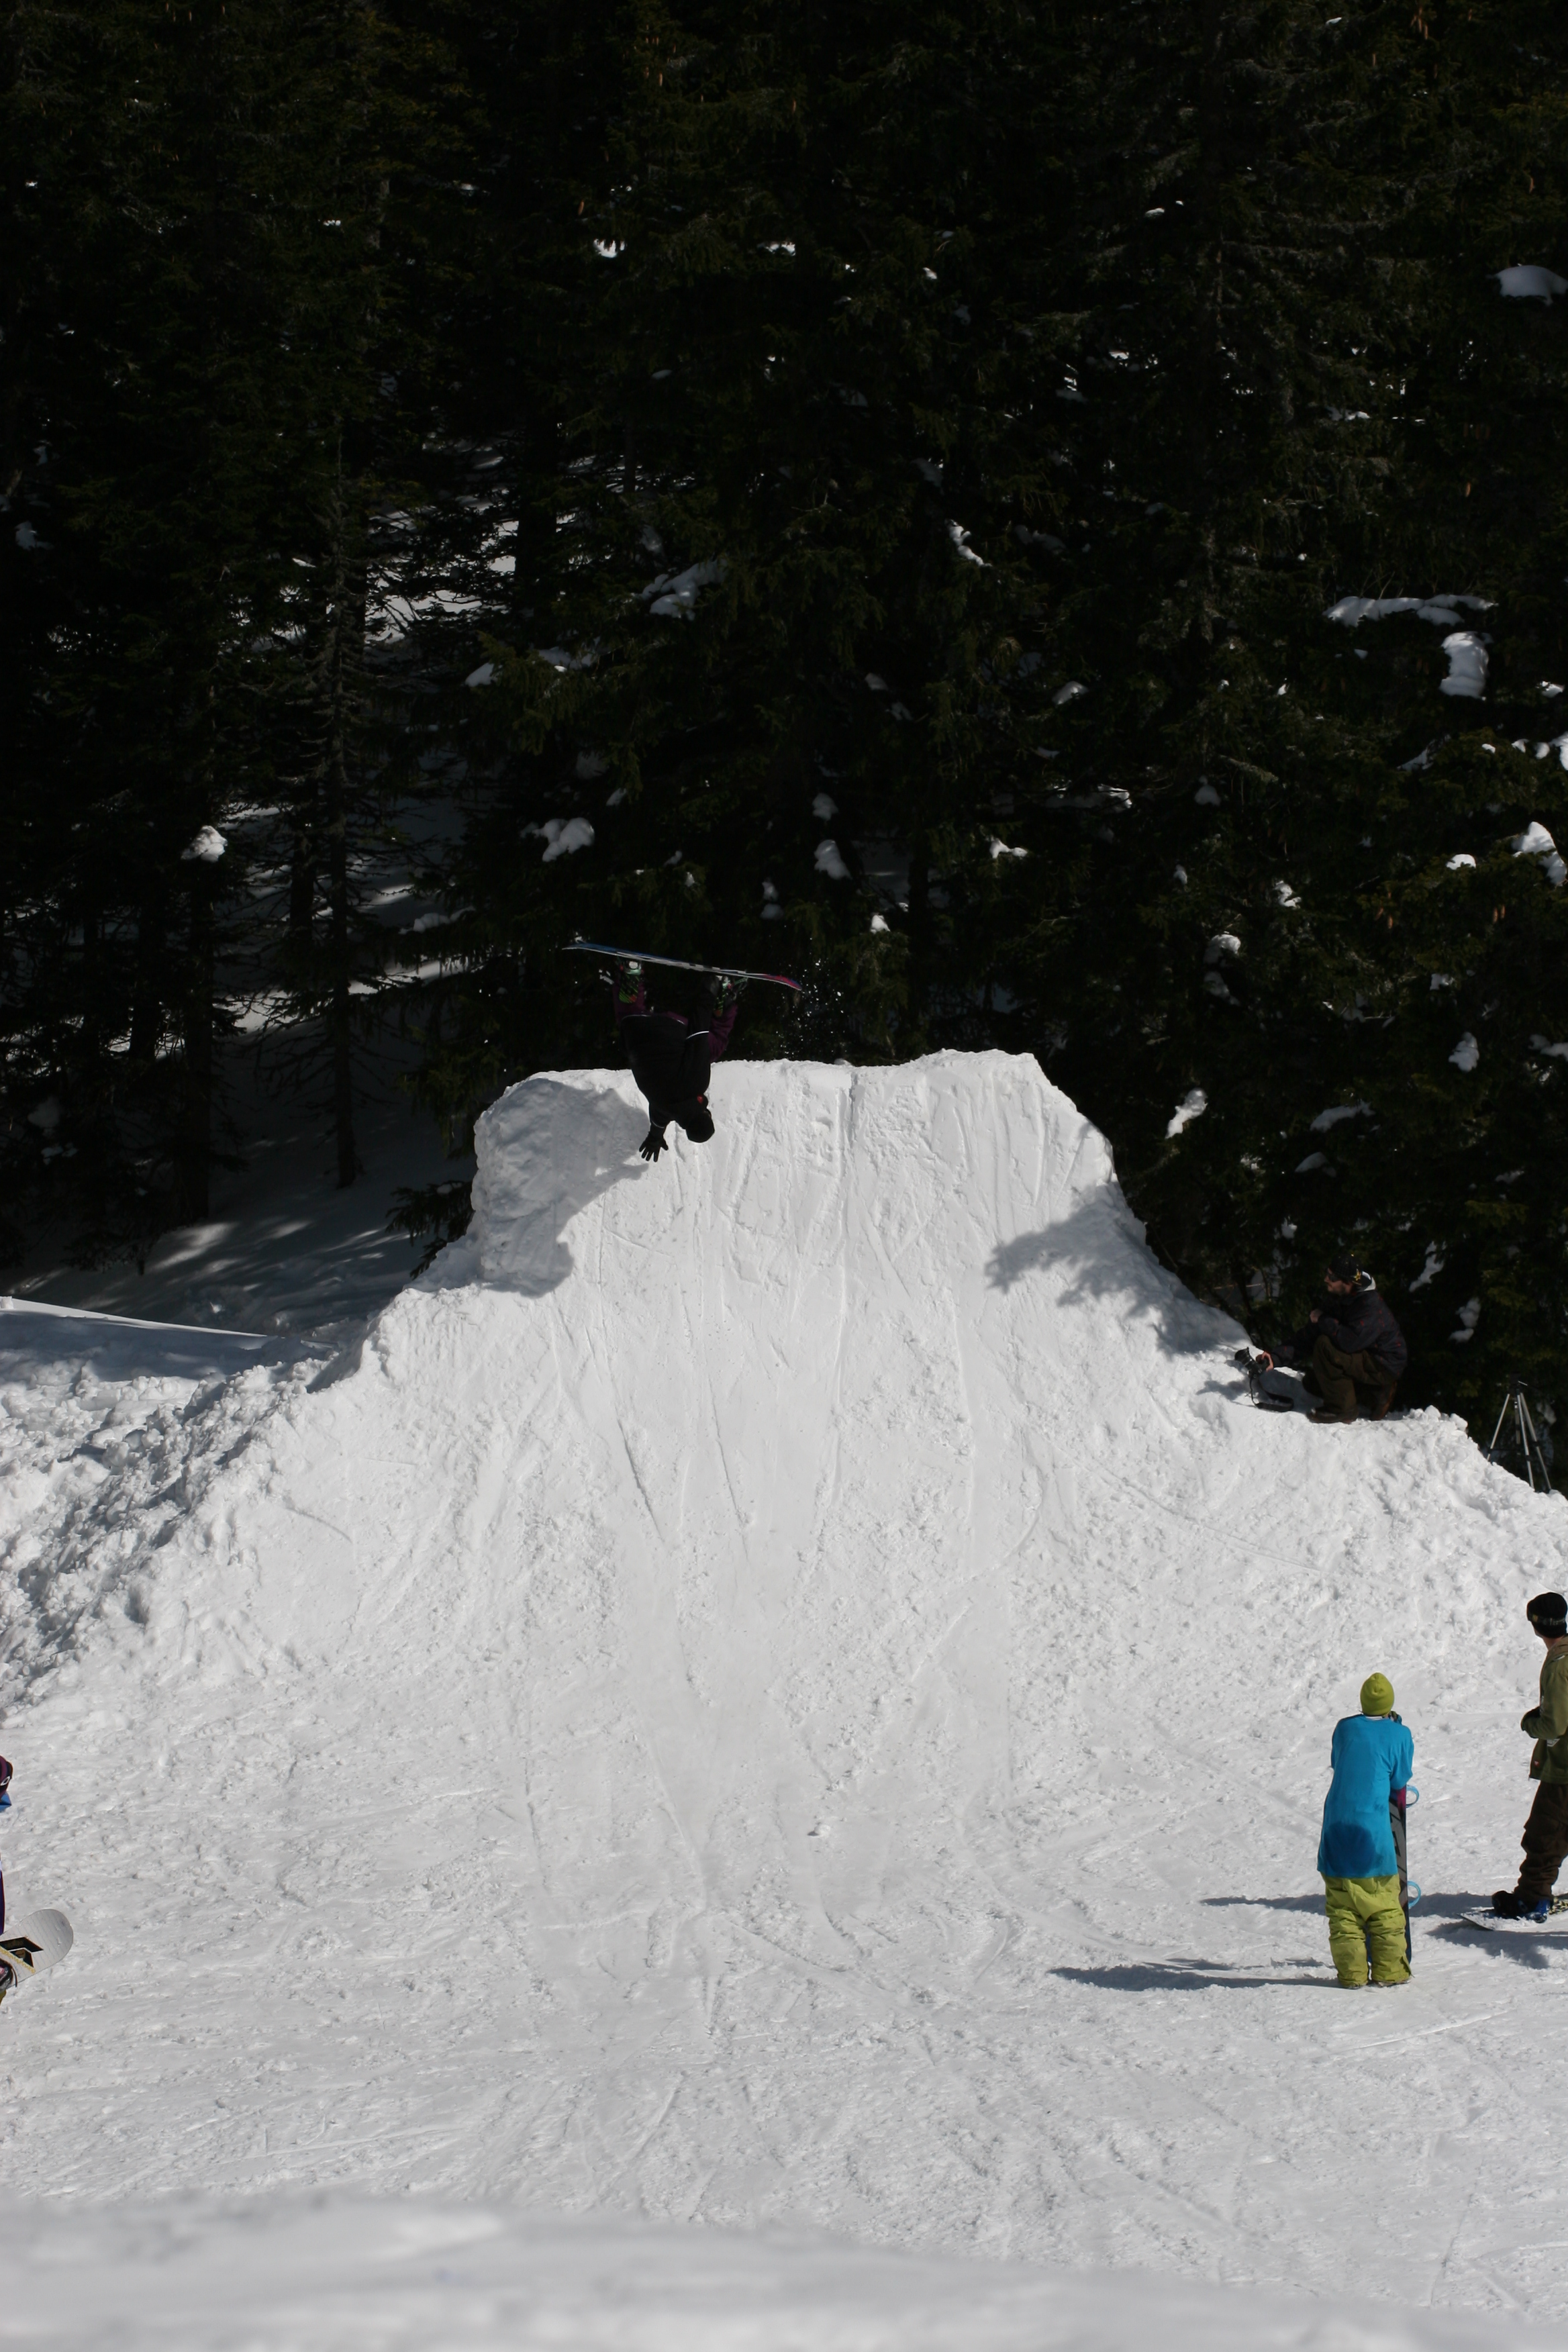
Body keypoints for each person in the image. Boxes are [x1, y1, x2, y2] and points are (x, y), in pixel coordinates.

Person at [1318, 1674, 1414, 1987]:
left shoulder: (1344, 1728)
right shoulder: (1399, 1735)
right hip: (1373, 1838)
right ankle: (1390, 1972)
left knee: (1343, 1910)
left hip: (1335, 1833)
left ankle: (1352, 1975)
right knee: (1384, 1907)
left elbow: (1339, 1762)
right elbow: (1399, 1779)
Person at [611, 961, 743, 1162]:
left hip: (670, 1028)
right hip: (635, 1029)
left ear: (706, 1114)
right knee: (628, 1016)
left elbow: (698, 1034)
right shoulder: (665, 1108)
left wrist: (709, 990)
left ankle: (724, 998)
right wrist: (655, 1137)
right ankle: (631, 976)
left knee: (714, 1047)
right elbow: (658, 1120)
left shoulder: (697, 1084)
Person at [1257, 1254, 1407, 1425]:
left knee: (1325, 1347)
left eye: (1332, 1277)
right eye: (1327, 1273)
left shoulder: (1369, 1305)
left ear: (1348, 1282)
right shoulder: (1342, 1296)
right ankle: (1375, 1395)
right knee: (1313, 1383)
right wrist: (1275, 1357)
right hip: (1364, 1355)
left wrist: (1323, 1320)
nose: (1326, 1279)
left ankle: (1343, 1410)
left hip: (1384, 1364)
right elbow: (1310, 1334)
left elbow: (1348, 1342)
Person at [1491, 1591, 1568, 1920]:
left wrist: (1531, 1723)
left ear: (1537, 1626)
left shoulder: (1558, 1665)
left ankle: (1532, 1898)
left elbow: (1555, 1725)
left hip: (1564, 1768)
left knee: (1544, 1834)